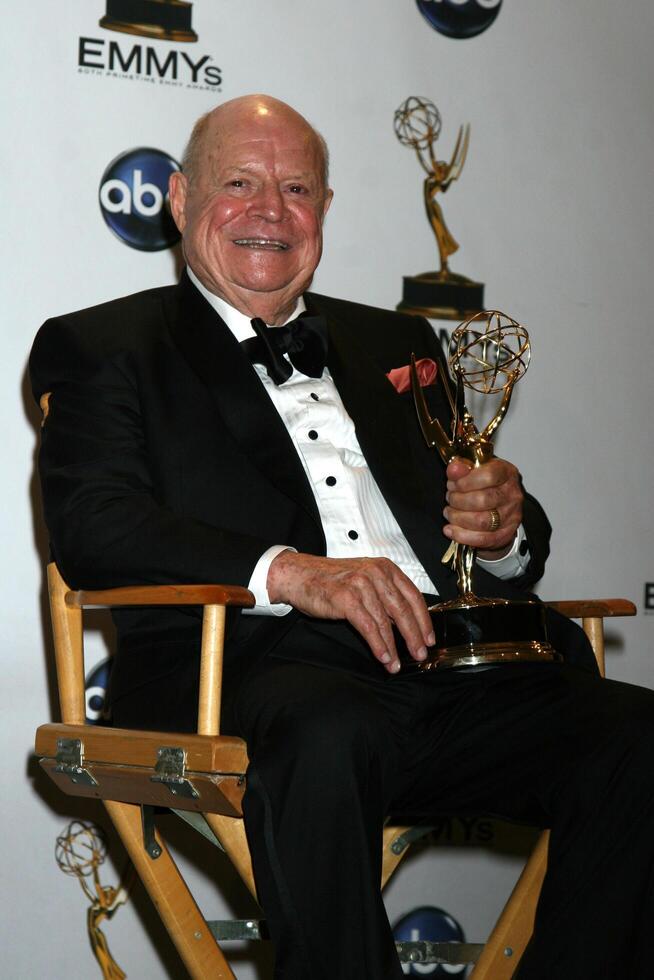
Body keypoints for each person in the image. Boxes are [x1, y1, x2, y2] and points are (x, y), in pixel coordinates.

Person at [31, 95, 654, 980]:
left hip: (456, 673)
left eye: (296, 188)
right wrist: (291, 575)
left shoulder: (397, 341)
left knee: (636, 735)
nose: (269, 211)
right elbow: (95, 526)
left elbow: (501, 533)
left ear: (325, 209)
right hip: (250, 674)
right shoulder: (105, 345)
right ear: (178, 201)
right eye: (238, 183)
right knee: (326, 732)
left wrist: (504, 526)